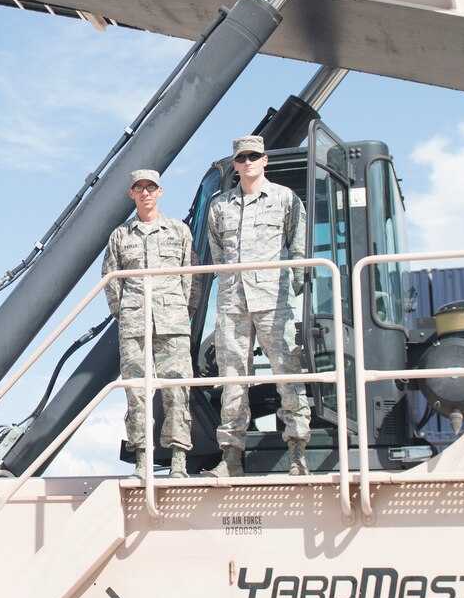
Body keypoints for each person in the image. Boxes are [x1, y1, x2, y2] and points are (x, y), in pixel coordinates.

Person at [204, 135, 309, 476]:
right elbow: (218, 254)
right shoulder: (219, 206)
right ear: (234, 164)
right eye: (242, 157)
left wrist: (290, 289)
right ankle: (231, 457)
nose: (248, 162)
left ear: (265, 160)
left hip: (274, 302)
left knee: (286, 375)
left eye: (254, 156)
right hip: (233, 304)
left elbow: (298, 247)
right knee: (232, 380)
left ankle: (297, 451)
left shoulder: (284, 199)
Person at [101, 168, 194, 479]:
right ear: (131, 194)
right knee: (136, 393)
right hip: (134, 324)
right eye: (139, 188)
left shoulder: (178, 231)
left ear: (160, 191)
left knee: (177, 389)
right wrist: (126, 312)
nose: (145, 193)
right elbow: (111, 282)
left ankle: (178, 460)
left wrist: (178, 311)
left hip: (173, 323)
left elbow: (189, 278)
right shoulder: (120, 236)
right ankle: (142, 460)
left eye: (150, 187)